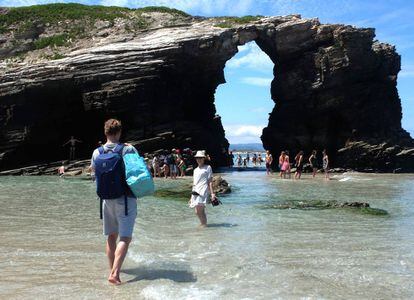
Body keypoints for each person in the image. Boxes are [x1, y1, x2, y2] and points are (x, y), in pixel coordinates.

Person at [90, 119, 138, 285]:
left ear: (105, 133)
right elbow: (137, 173)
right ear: (119, 132)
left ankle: (112, 269)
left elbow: (94, 175)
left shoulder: (97, 152)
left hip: (105, 199)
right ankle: (115, 274)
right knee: (125, 237)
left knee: (111, 236)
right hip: (125, 199)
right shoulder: (128, 149)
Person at [189, 150, 215, 227]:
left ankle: (204, 225)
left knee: (199, 210)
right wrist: (191, 197)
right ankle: (203, 224)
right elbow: (194, 184)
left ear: (204, 158)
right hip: (196, 191)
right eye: (197, 158)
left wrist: (212, 193)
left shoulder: (208, 167)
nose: (199, 159)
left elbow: (210, 182)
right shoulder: (195, 170)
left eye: (200, 158)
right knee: (197, 211)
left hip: (203, 190)